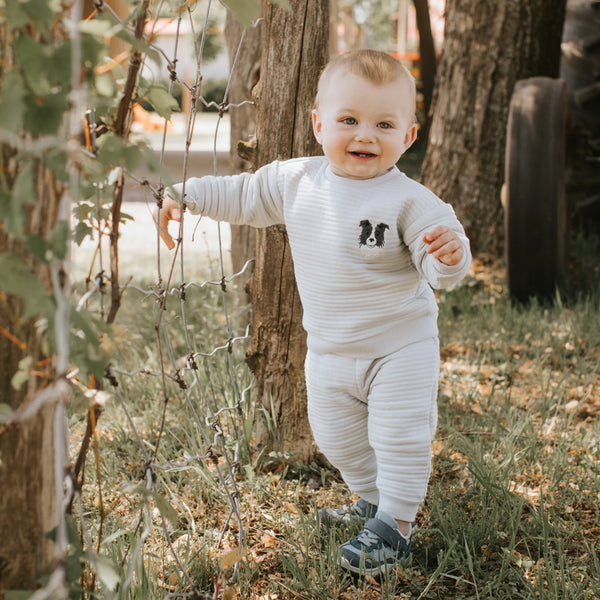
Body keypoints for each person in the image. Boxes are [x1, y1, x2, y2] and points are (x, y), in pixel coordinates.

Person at [157, 49, 471, 577]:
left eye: (383, 124)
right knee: (335, 438)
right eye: (349, 120)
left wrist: (450, 256)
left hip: (401, 347)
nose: (365, 135)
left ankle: (396, 524)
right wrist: (184, 194)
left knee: (399, 434)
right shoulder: (295, 182)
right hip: (329, 348)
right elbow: (240, 195)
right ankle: (370, 502)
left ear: (408, 137)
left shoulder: (411, 202)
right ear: (318, 123)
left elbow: (440, 267)